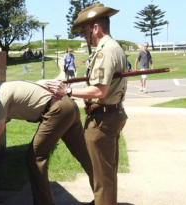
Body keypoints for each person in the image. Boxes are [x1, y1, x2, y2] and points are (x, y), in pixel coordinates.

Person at [0, 68, 93, 205]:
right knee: (84, 154)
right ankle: (104, 198)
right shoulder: (1, 88)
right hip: (68, 106)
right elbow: (0, 123)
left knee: (34, 157)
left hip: (57, 110)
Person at [45, 3, 128, 205]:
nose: (83, 36)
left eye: (84, 31)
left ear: (96, 28)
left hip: (103, 118)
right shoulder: (111, 47)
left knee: (101, 176)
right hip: (108, 115)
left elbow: (100, 91)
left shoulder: (106, 51)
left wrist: (68, 91)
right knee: (105, 173)